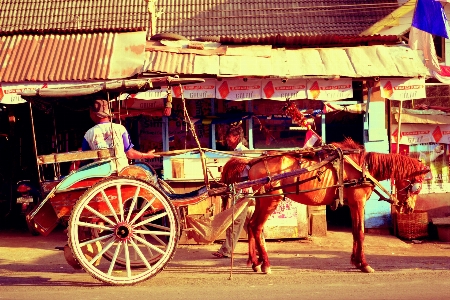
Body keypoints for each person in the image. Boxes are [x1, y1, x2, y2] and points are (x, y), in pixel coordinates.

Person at [212, 123, 264, 258]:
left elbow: (250, 172)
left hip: (244, 192)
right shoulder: (236, 152)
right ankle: (260, 247)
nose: (227, 140)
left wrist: (246, 187)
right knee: (249, 222)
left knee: (235, 221)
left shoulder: (244, 152)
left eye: (229, 137)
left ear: (236, 137)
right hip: (240, 190)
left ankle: (227, 250)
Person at [81, 98, 159, 171]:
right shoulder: (120, 129)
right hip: (122, 171)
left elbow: (85, 158)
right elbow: (130, 153)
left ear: (93, 114)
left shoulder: (88, 134)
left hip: (101, 174)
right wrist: (147, 155)